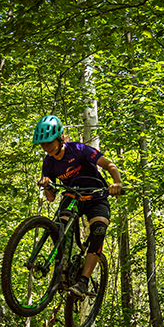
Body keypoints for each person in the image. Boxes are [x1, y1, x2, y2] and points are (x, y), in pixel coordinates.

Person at [34, 114, 123, 297]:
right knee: (59, 227)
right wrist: (46, 186)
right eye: (42, 144)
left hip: (96, 196)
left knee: (99, 230)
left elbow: (109, 165)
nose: (46, 147)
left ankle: (83, 282)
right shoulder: (48, 162)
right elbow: (51, 198)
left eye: (49, 142)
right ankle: (62, 269)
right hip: (72, 196)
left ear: (59, 138)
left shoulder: (79, 149)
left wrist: (117, 183)